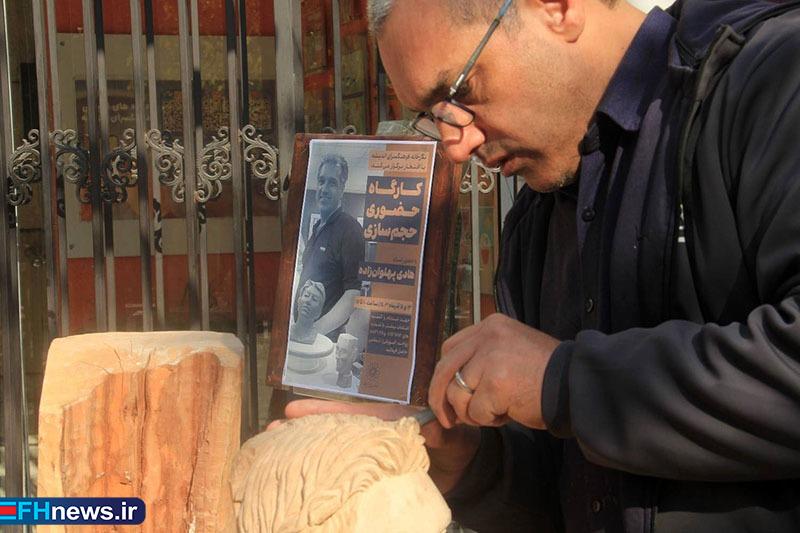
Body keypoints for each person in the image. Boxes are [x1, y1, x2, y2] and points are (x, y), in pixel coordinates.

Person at [283, 0, 800, 531]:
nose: (456, 145)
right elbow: (570, 489)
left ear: (557, 8)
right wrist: (472, 466)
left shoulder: (770, 79)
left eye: (459, 92)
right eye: (433, 116)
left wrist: (564, 381)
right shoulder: (536, 216)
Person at [297, 153, 365, 339]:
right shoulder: (318, 228)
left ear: (342, 188)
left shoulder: (350, 230)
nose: (324, 189)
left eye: (332, 183)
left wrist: (313, 332)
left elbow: (353, 294)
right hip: (303, 333)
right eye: (321, 181)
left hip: (324, 338)